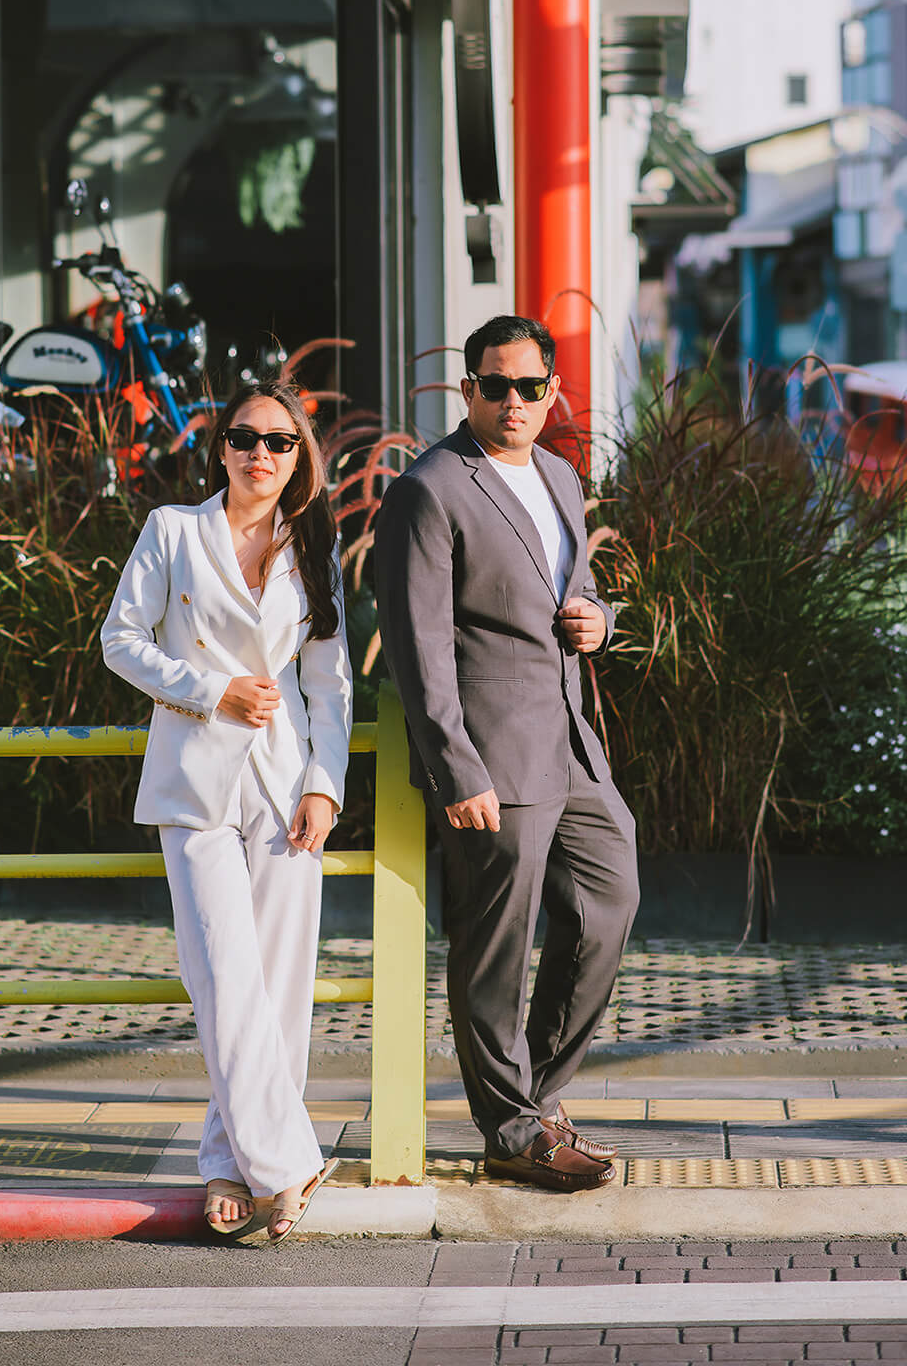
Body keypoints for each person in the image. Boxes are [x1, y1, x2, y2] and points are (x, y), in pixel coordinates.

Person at [373, 314, 639, 1193]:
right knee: (496, 944)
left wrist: (598, 622)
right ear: (469, 391)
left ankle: (538, 1095)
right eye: (495, 385)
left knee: (610, 901)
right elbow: (417, 646)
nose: (513, 401)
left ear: (552, 393)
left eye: (529, 386)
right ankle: (510, 1129)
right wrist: (456, 767)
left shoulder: (561, 475)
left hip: (569, 742)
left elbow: (575, 585)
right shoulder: (431, 489)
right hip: (491, 756)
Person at [101, 379, 352, 1241]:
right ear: (221, 447)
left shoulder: (313, 545)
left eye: (280, 443)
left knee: (278, 984)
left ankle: (227, 1165)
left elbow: (329, 681)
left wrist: (326, 781)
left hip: (285, 783)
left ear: (299, 458)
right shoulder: (173, 531)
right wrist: (211, 690)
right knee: (218, 973)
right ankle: (288, 1163)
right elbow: (119, 641)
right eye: (246, 438)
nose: (260, 454)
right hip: (196, 775)